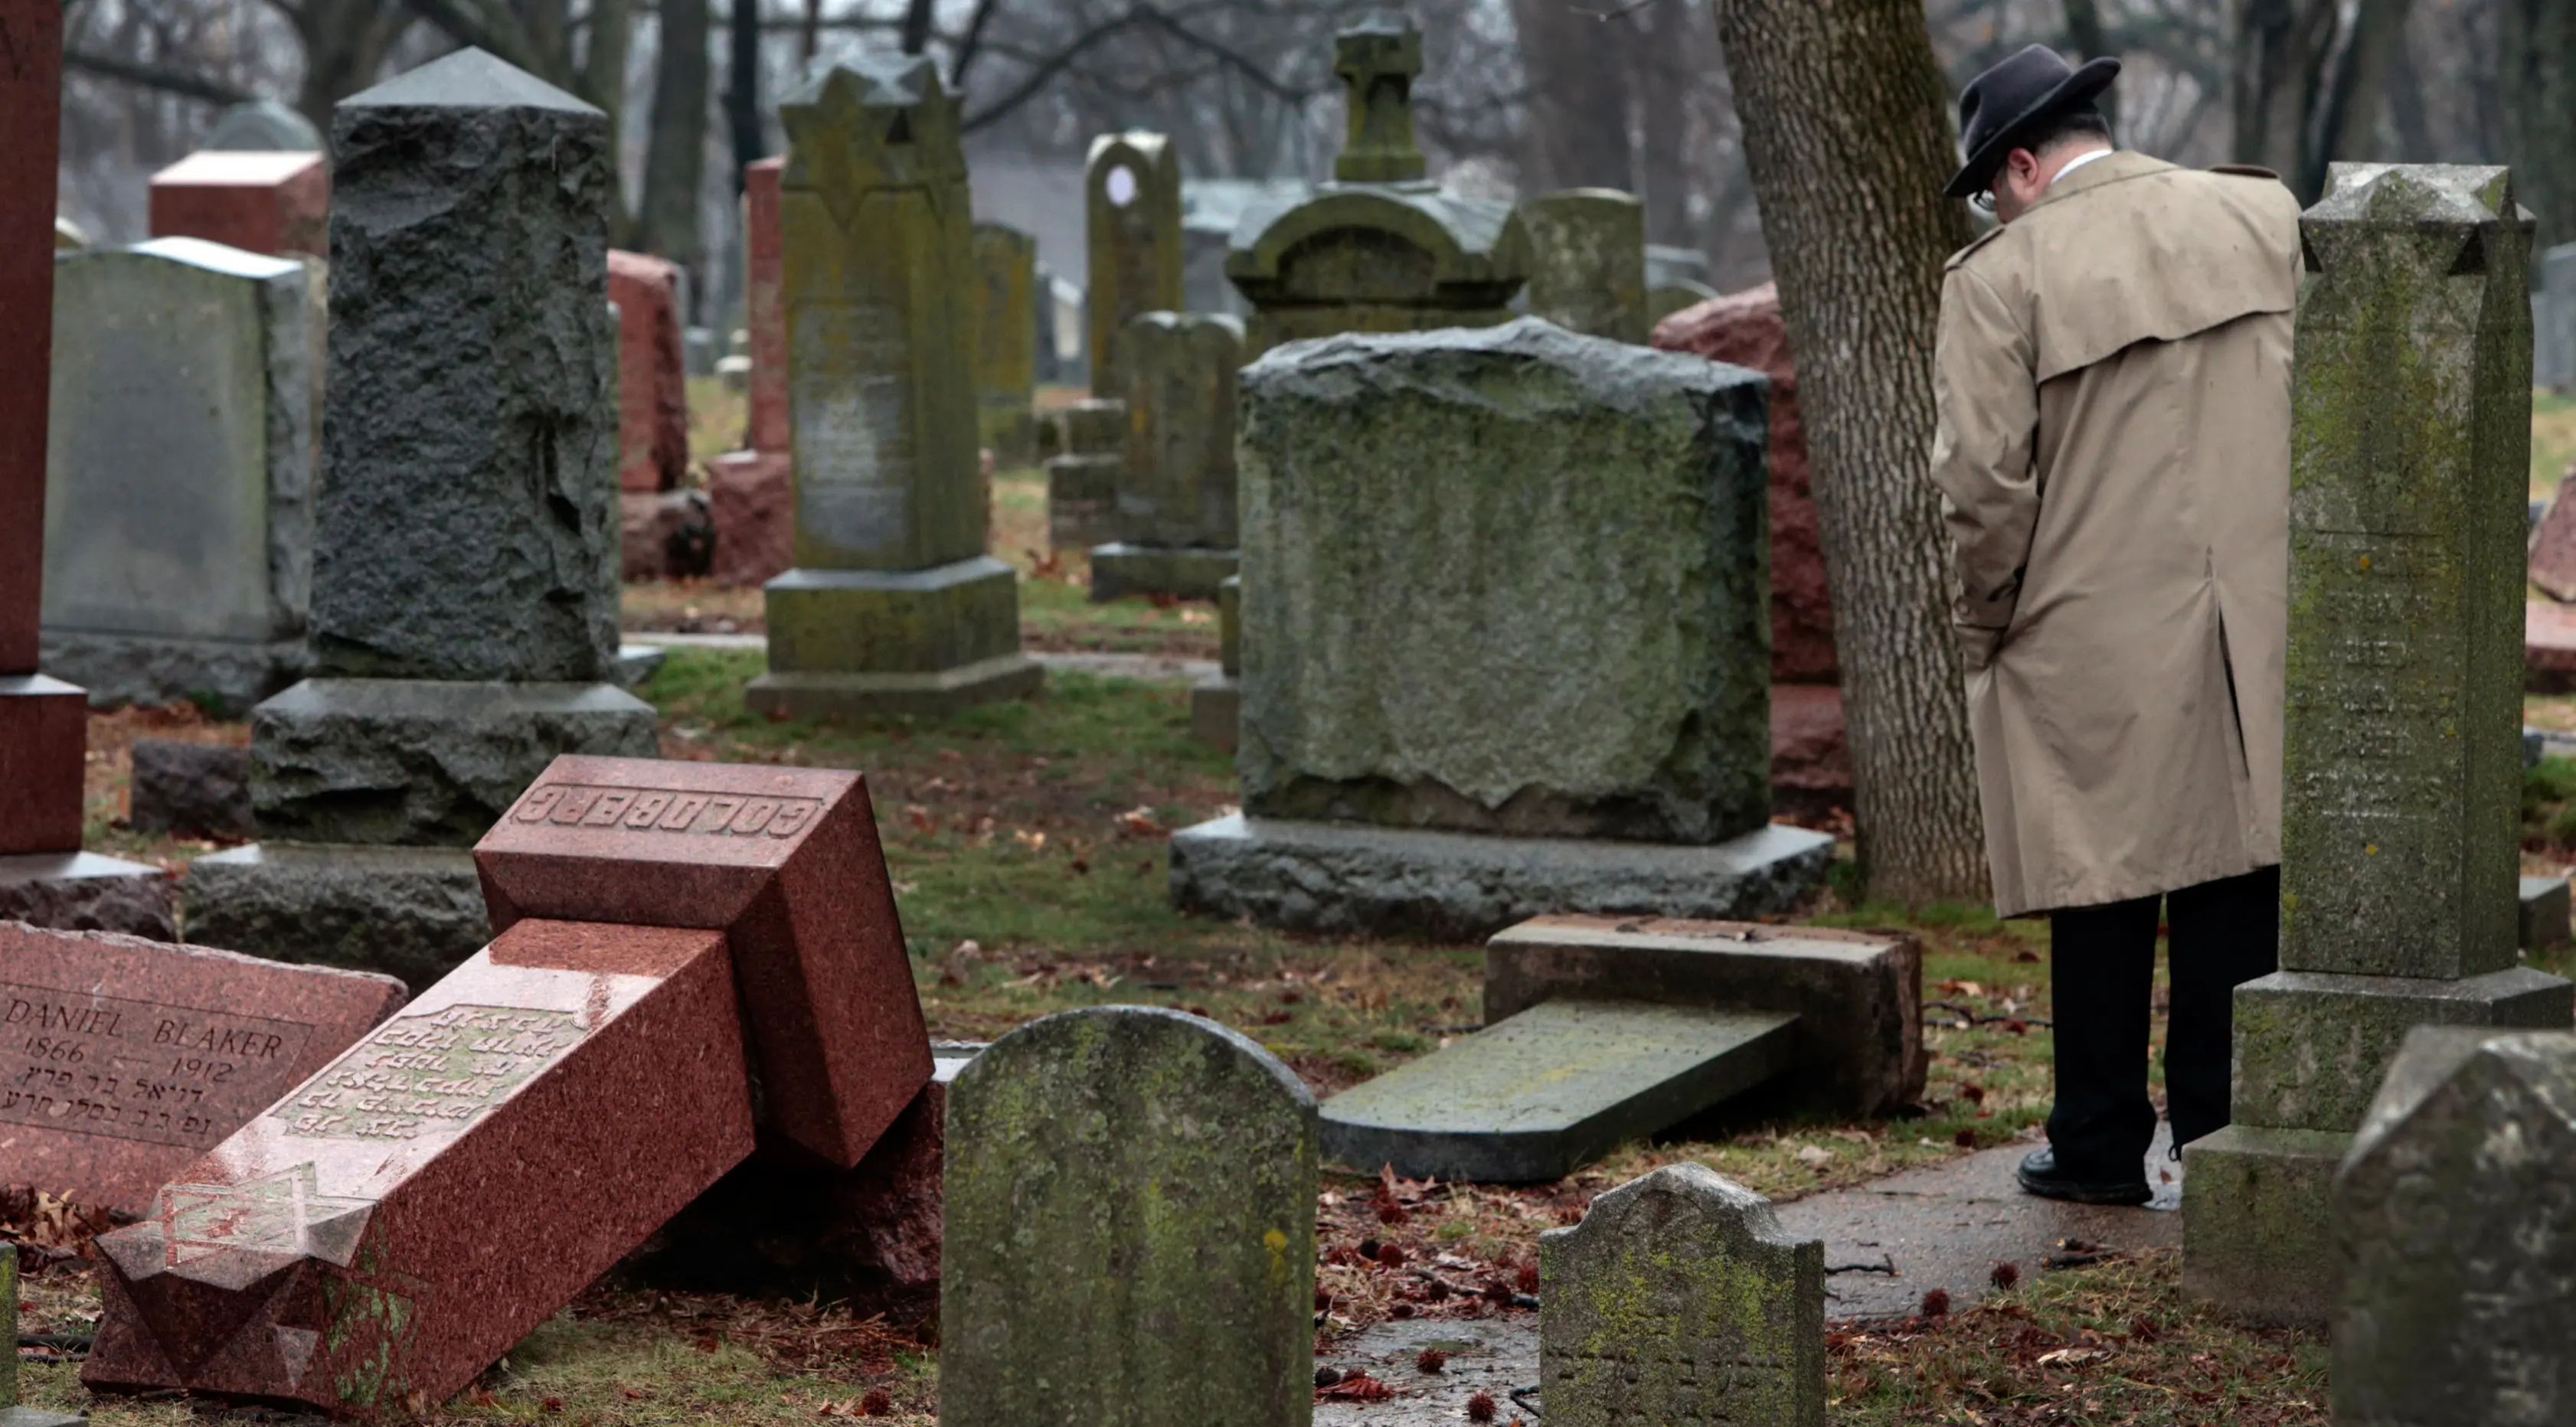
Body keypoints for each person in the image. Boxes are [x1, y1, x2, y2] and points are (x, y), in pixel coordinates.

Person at [1929, 45, 2303, 1206]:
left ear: (2025, 165)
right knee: (2236, 864)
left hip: (2083, 618)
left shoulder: (1998, 279)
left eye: (1993, 186)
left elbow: (1983, 487)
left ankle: (2096, 1145)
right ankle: (2222, 1137)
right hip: (2257, 604)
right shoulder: (2262, 213)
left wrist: (1982, 624)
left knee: (2098, 886)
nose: (1996, 205)